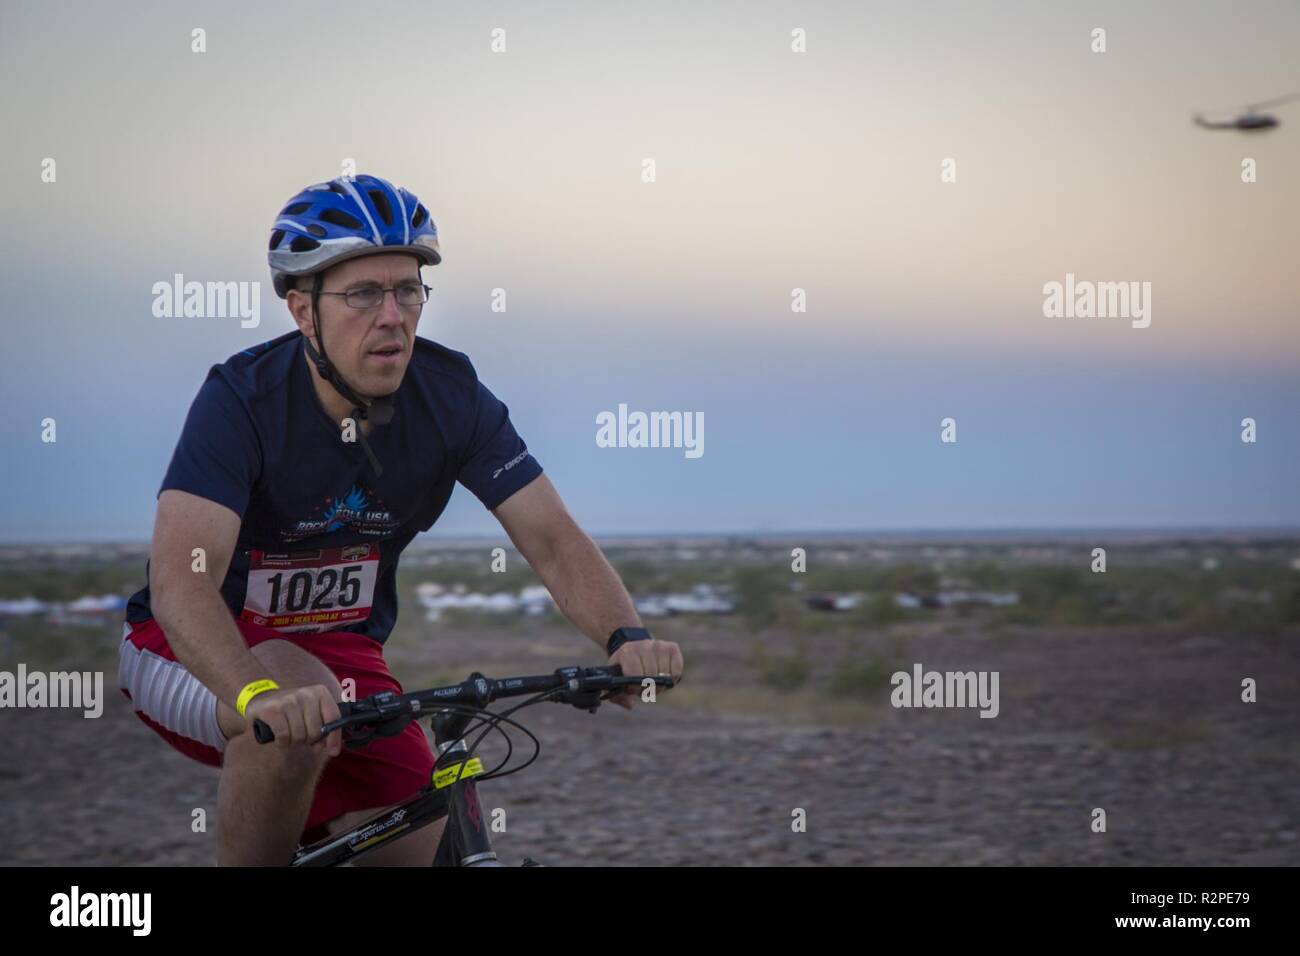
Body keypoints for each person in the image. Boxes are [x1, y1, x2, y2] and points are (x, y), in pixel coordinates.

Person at [117, 173, 685, 865]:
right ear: (303, 312)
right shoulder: (241, 402)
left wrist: (626, 637)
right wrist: (257, 692)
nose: (392, 315)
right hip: (189, 652)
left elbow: (554, 539)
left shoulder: (452, 398)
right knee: (296, 702)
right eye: (363, 294)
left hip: (345, 660)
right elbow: (183, 583)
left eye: (407, 290)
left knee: (424, 848)